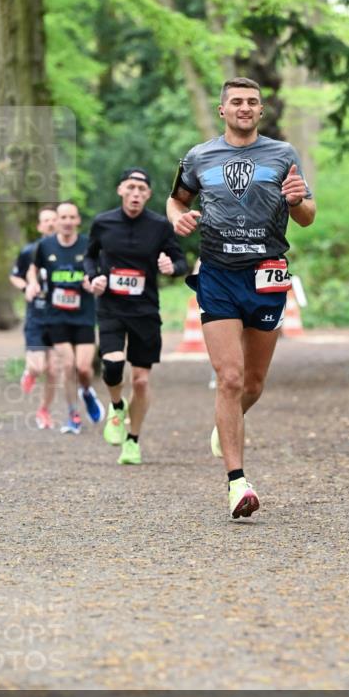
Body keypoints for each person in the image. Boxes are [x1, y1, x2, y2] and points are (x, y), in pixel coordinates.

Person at [166, 77, 316, 518]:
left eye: (252, 101)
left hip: (266, 275)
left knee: (252, 384)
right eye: (236, 101)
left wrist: (296, 202)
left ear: (260, 110)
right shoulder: (198, 156)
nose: (244, 107)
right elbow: (175, 201)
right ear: (222, 110)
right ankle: (237, 484)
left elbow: (307, 216)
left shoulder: (283, 155)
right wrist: (179, 220)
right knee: (228, 378)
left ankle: (225, 423)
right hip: (216, 275)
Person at [83, 167, 187, 465]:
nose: (136, 194)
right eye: (131, 188)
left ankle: (133, 440)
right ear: (121, 191)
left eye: (142, 190)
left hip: (145, 311)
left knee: (141, 382)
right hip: (112, 307)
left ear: (148, 195)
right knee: (113, 366)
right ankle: (117, 406)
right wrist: (94, 277)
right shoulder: (103, 223)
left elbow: (180, 260)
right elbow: (90, 256)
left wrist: (172, 267)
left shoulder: (159, 226)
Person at [26, 200, 104, 435]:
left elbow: (99, 271)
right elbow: (33, 268)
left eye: (72, 217)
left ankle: (87, 392)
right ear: (56, 221)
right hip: (56, 315)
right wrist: (32, 283)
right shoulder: (45, 246)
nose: (68, 222)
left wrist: (92, 282)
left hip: (84, 315)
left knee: (83, 368)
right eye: (63, 218)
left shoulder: (88, 245)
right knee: (67, 365)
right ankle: (73, 415)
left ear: (78, 220)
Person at [9, 207, 58, 430]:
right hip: (37, 317)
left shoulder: (69, 250)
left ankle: (44, 410)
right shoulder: (29, 251)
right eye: (45, 220)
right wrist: (28, 286)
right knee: (38, 367)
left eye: (53, 220)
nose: (49, 224)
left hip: (60, 317)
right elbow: (14, 276)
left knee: (53, 371)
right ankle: (30, 372)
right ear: (39, 226)